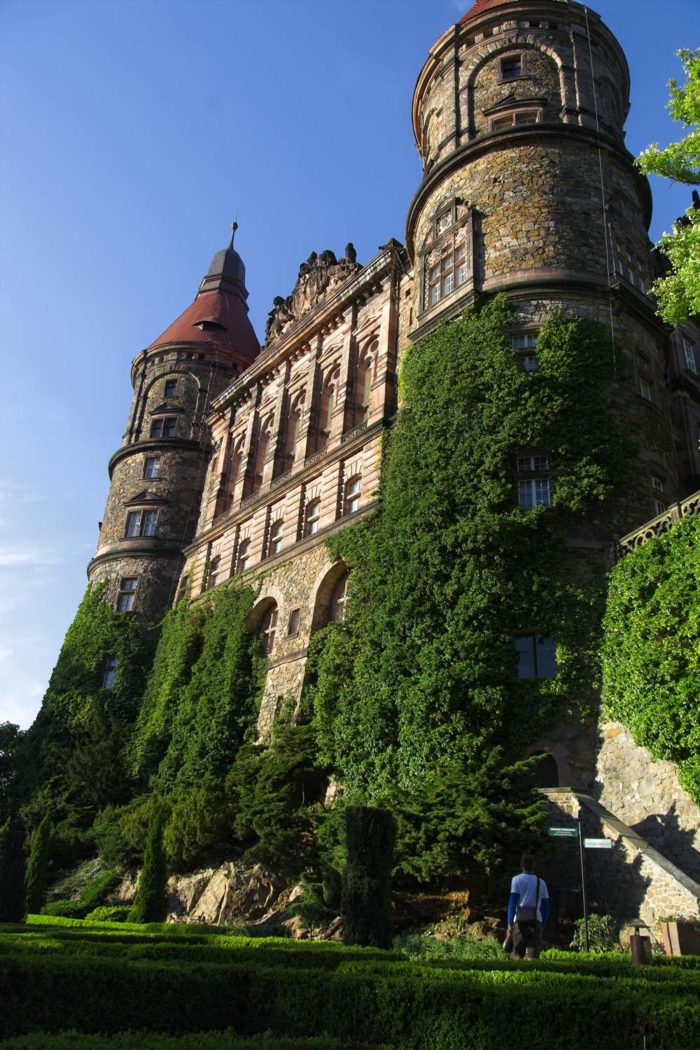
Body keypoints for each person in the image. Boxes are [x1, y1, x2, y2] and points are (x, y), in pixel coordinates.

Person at [506, 852, 549, 959]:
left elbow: (512, 903)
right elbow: (546, 907)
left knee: (517, 954)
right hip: (536, 921)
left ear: (522, 866)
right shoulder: (541, 883)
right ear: (533, 866)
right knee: (533, 957)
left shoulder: (516, 880)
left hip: (520, 921)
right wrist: (542, 925)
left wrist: (510, 923)